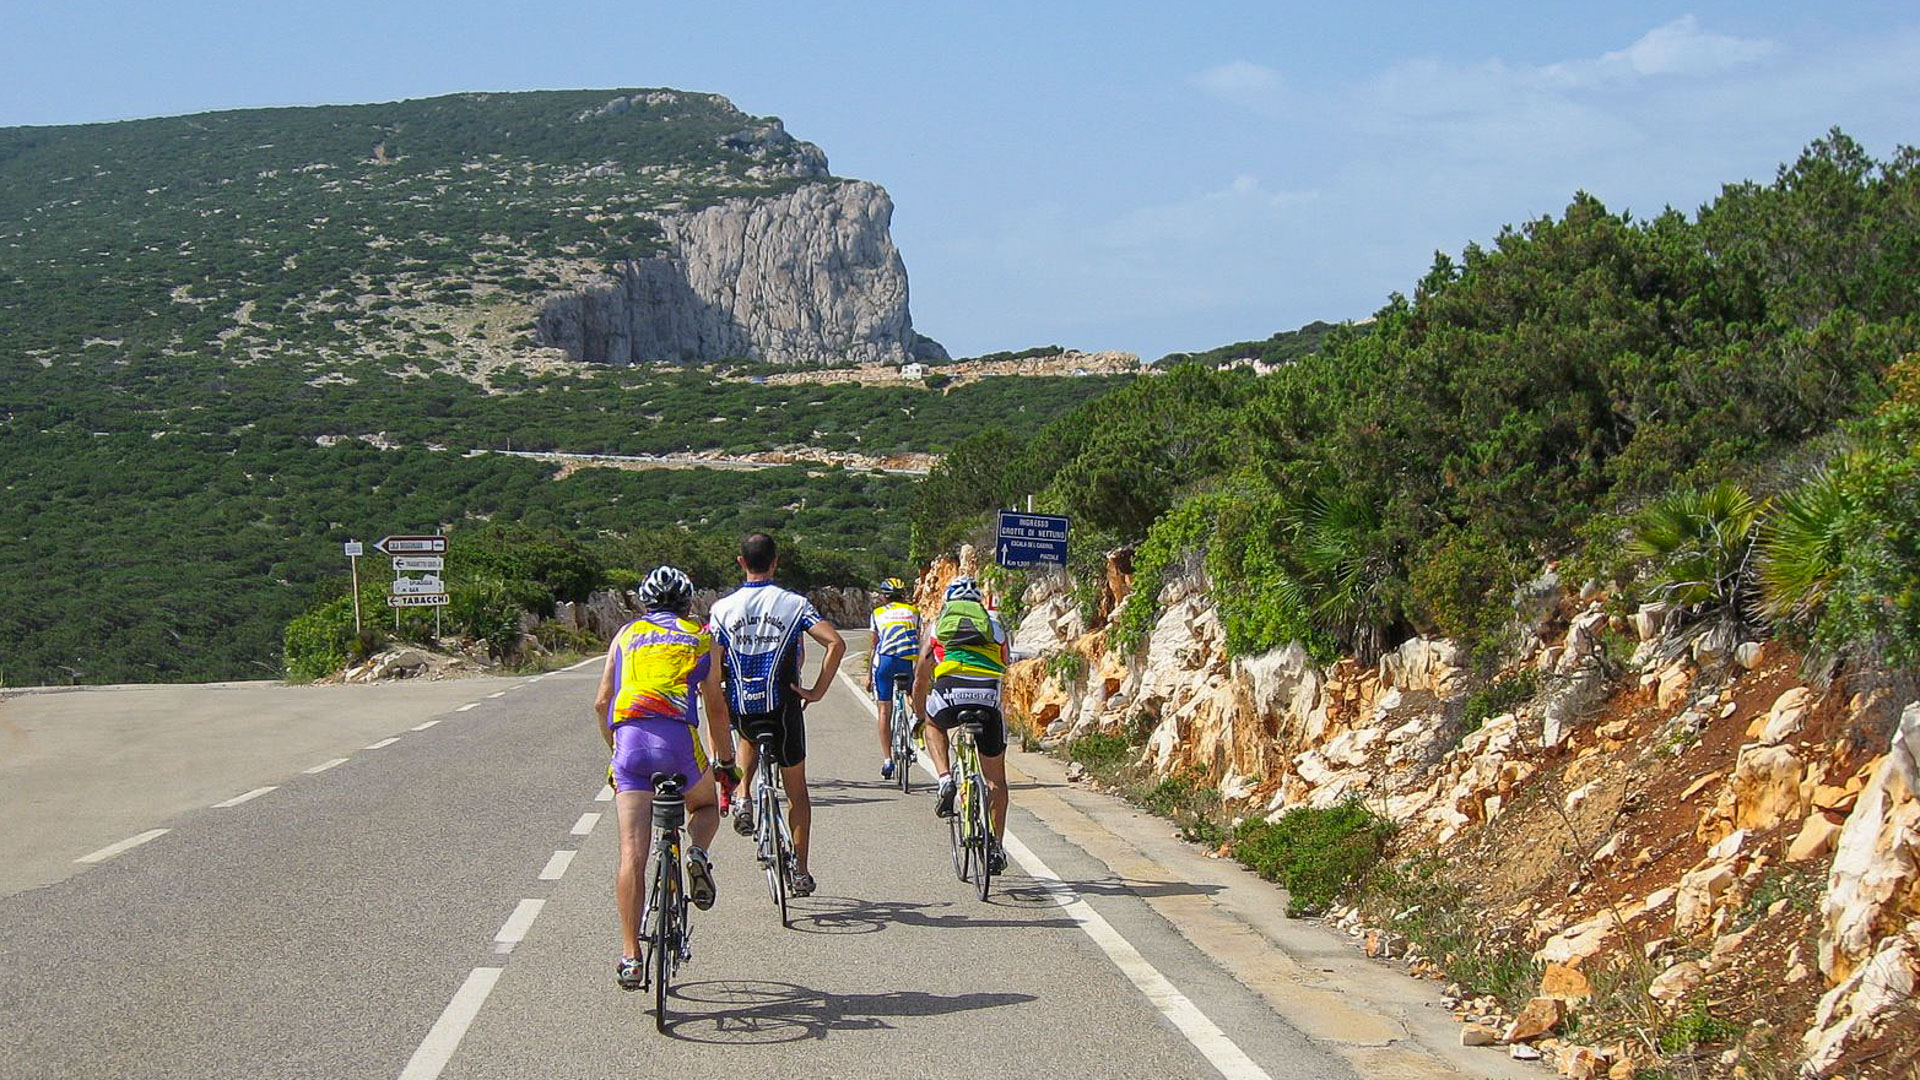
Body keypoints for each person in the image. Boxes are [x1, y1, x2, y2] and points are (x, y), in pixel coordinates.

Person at [592, 565, 738, 991]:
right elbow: (715, 707)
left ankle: (630, 957)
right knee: (707, 805)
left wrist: (614, 753)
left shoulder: (625, 635)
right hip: (677, 740)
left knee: (631, 854)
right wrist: (726, 764)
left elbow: (602, 702)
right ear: (689, 603)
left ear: (645, 602)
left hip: (630, 743)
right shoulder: (700, 638)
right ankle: (696, 854)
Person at [709, 532, 845, 898]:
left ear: (741, 562)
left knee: (748, 738)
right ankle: (800, 871)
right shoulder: (794, 603)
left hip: (742, 706)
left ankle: (744, 797)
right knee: (797, 794)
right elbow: (836, 643)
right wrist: (816, 691)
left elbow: (714, 664)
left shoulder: (721, 609)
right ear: (775, 562)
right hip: (784, 707)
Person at [911, 574, 1011, 874]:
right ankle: (994, 846)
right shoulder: (995, 625)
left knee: (933, 725)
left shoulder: (937, 626)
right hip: (987, 699)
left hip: (950, 694)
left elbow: (920, 678)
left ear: (949, 601)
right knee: (996, 782)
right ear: (978, 602)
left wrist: (919, 714)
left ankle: (944, 778)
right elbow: (1006, 665)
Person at [867, 577, 921, 780]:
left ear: (884, 596)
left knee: (884, 710)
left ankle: (887, 759)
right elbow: (918, 636)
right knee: (913, 694)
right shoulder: (914, 612)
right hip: (908, 661)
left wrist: (868, 676)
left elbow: (875, 644)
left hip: (885, 662)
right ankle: (916, 721)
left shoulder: (877, 613)